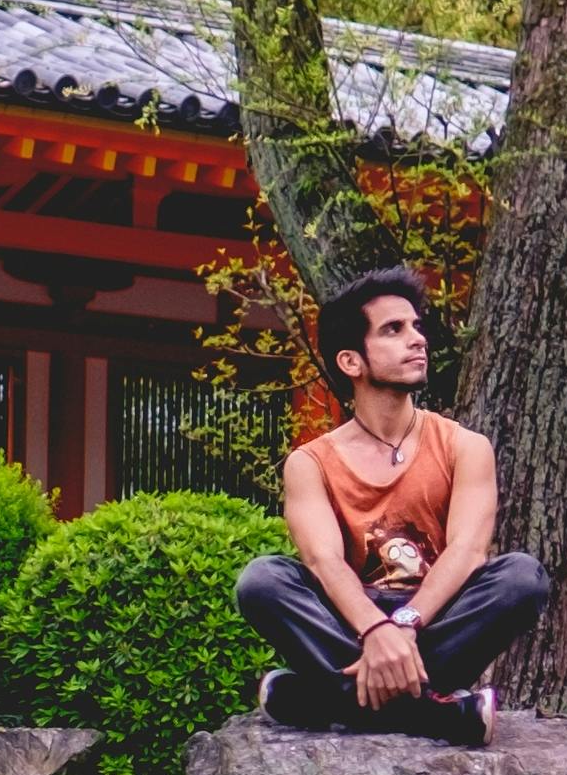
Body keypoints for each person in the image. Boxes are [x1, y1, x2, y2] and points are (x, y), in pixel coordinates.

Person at [235, 266, 550, 746]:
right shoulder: (310, 463)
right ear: (351, 362)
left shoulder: (465, 446)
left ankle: (323, 699)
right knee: (262, 580)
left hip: (436, 616)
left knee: (523, 578)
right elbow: (322, 561)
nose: (417, 340)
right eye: (393, 330)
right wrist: (375, 629)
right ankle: (435, 713)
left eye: (416, 327)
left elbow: (466, 552)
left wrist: (402, 626)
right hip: (354, 621)